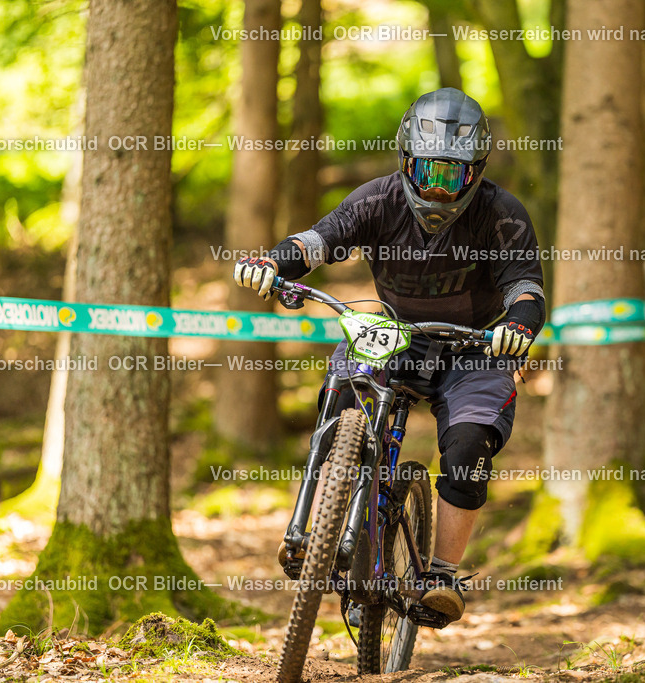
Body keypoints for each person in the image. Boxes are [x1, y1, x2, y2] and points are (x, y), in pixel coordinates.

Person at [233, 88, 545, 625]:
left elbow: (527, 288)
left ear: (475, 172)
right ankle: (316, 523)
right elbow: (321, 239)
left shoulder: (501, 213)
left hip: (475, 344)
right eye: (426, 170)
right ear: (406, 159)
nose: (436, 187)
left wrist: (518, 326)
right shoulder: (378, 199)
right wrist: (275, 262)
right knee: (339, 397)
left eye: (452, 174)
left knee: (469, 446)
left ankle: (441, 574)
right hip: (393, 331)